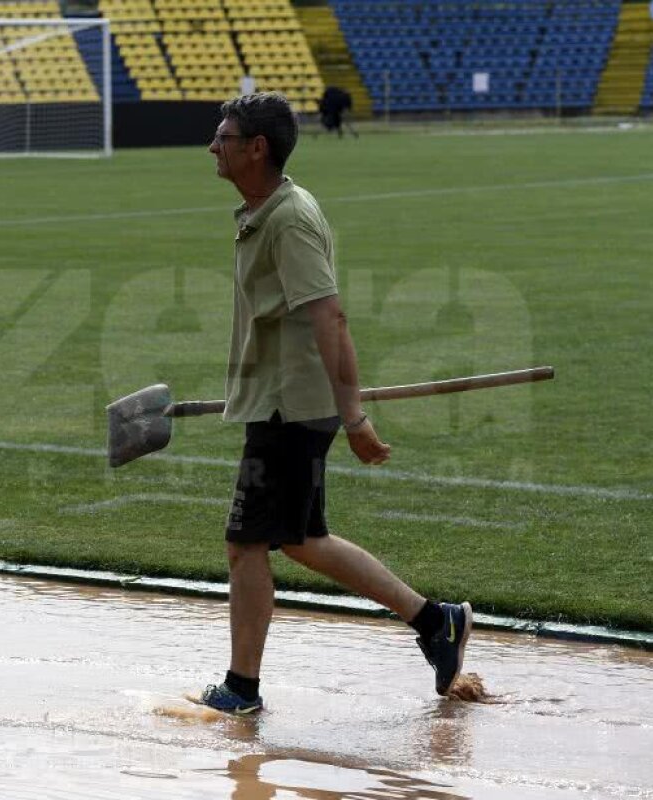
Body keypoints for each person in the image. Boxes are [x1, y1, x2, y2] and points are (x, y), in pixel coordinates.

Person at [199, 93, 471, 715]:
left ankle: (241, 688)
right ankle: (436, 622)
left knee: (246, 543)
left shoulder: (289, 219)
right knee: (299, 539)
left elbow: (330, 317)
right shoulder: (264, 212)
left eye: (224, 136)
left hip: (291, 408)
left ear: (256, 147)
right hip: (278, 401)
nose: (212, 146)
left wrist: (354, 416)